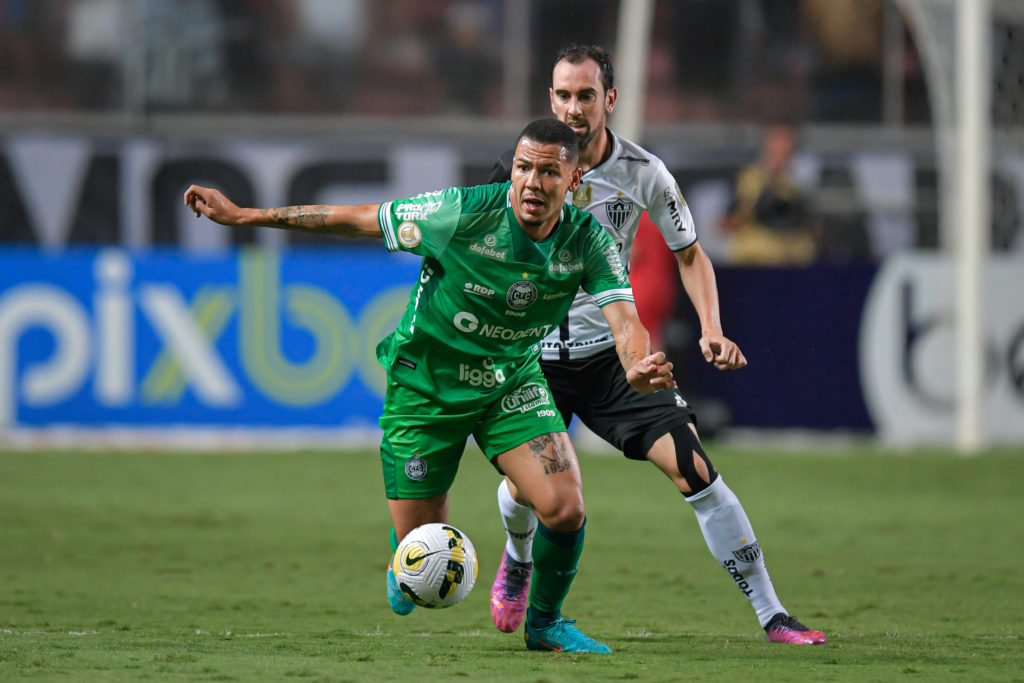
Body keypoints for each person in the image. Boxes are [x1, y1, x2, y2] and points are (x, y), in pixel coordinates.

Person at [184, 118, 675, 654]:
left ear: (574, 177)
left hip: (509, 383)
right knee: (422, 556)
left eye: (549, 172)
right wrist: (246, 215)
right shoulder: (462, 213)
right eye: (523, 168)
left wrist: (634, 364)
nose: (533, 183)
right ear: (511, 169)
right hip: (425, 389)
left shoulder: (589, 241)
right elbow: (355, 219)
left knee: (565, 506)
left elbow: (625, 321)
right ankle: (403, 545)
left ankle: (545, 624)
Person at [485, 45, 827, 646]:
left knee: (694, 468)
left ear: (609, 101)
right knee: (527, 491)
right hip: (532, 363)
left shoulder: (643, 172)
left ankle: (773, 613)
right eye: (563, 95)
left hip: (617, 359)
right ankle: (518, 557)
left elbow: (690, 253)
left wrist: (712, 328)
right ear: (550, 99)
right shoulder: (522, 168)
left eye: (585, 96)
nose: (572, 108)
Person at [721, 122, 819, 265]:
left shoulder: (801, 182)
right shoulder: (747, 179)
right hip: (754, 258)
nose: (781, 149)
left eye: (786, 146)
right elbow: (727, 222)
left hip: (793, 258)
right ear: (766, 147)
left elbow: (812, 226)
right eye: (776, 144)